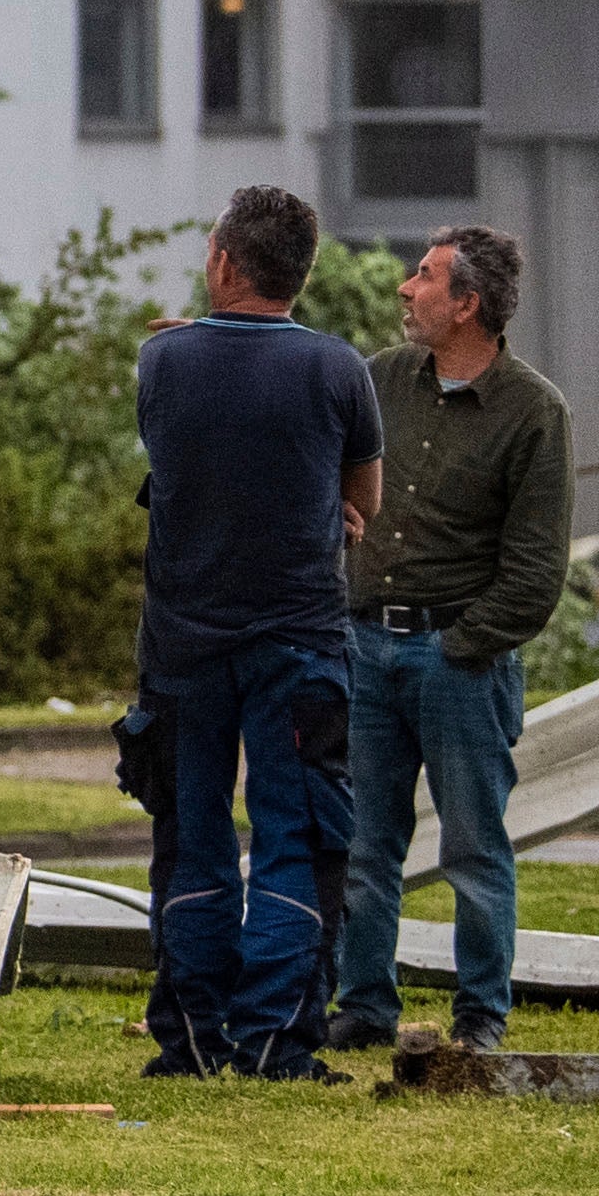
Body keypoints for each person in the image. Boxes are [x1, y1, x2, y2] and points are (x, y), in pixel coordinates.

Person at [132, 186, 382, 1078]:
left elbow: (172, 459)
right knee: (297, 835)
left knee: (191, 834)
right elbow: (365, 501)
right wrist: (328, 512)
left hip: (182, 647)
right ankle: (277, 1040)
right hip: (301, 641)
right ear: (301, 274)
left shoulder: (162, 364)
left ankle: (192, 1040)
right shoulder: (339, 370)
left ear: (226, 264)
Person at [327, 226, 572, 1053]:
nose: (404, 288)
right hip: (365, 648)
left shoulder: (534, 412)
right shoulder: (381, 379)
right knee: (364, 845)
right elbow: (323, 469)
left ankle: (480, 1020)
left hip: (459, 663)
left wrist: (461, 647)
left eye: (424, 277)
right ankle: (363, 1007)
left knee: (474, 847)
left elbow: (536, 571)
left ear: (467, 304)